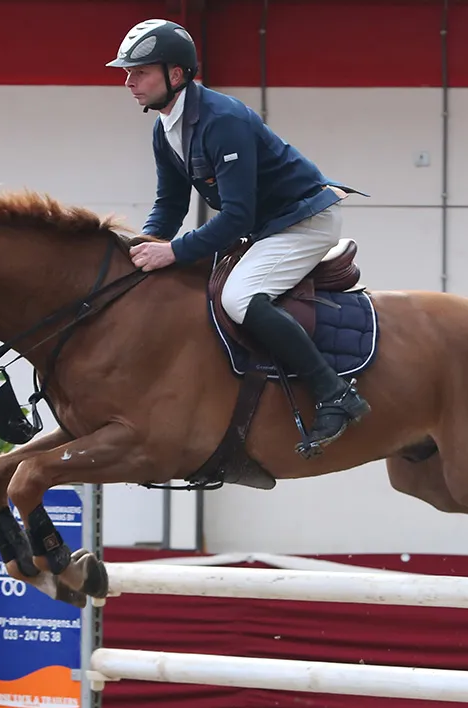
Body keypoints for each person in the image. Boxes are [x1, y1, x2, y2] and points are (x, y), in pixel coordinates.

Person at [107, 18, 370, 457]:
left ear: (176, 74)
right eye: (127, 73)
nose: (129, 83)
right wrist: (142, 246)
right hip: (266, 227)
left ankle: (335, 392)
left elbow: (236, 215)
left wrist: (172, 251)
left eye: (140, 72)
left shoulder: (222, 120)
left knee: (239, 297)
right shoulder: (164, 128)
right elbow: (170, 205)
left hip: (303, 221)